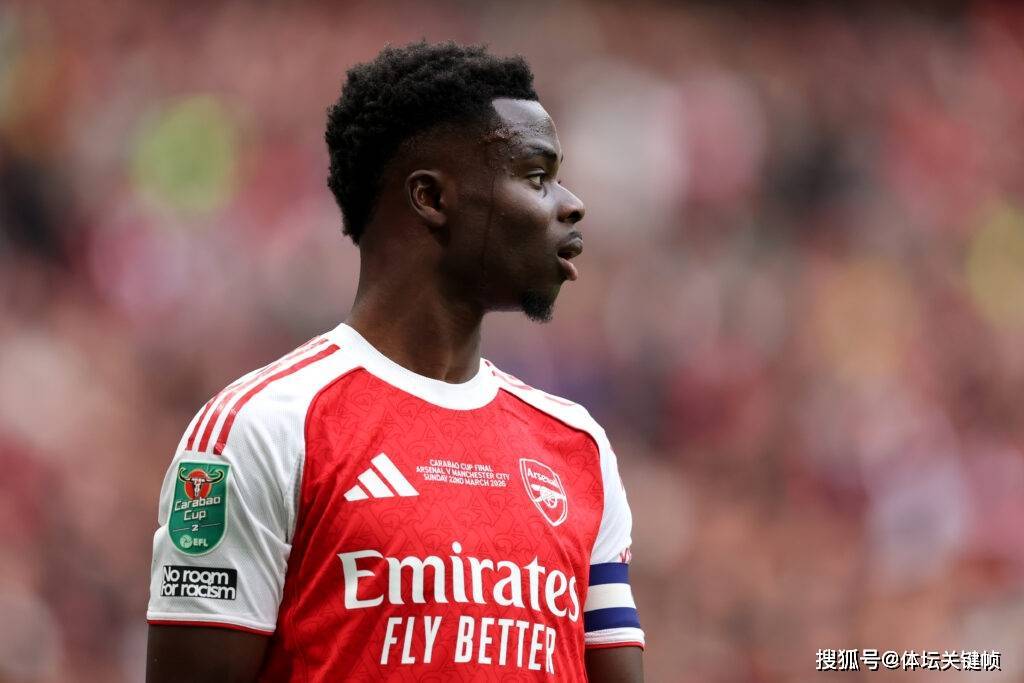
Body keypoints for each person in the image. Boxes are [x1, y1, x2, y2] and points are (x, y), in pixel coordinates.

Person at [146, 41, 644, 682]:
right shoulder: (261, 429)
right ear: (431, 198)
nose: (571, 204)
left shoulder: (577, 448)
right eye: (536, 177)